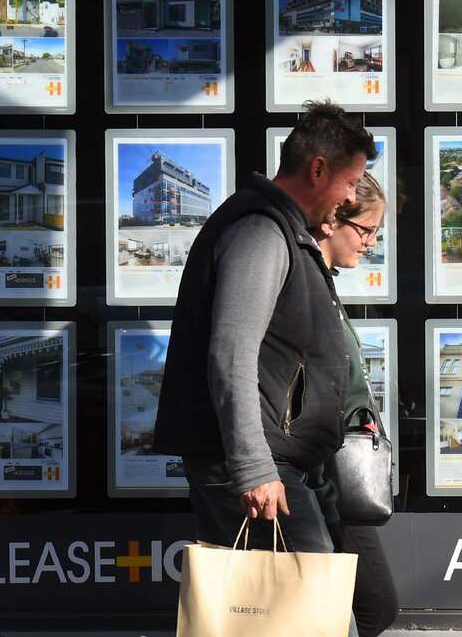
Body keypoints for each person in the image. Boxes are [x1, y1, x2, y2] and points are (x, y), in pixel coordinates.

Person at [153, 101, 377, 627]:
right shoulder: (260, 231)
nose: (350, 197)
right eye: (350, 181)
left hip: (277, 460)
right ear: (318, 169)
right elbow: (230, 351)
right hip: (259, 464)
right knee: (315, 618)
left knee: (288, 619)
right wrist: (253, 467)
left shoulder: (283, 229)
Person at [314, 171, 399, 637]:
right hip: (321, 478)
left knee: (367, 607)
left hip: (336, 475)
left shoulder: (325, 285)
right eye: (366, 230)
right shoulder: (307, 285)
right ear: (333, 221)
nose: (370, 243)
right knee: (373, 606)